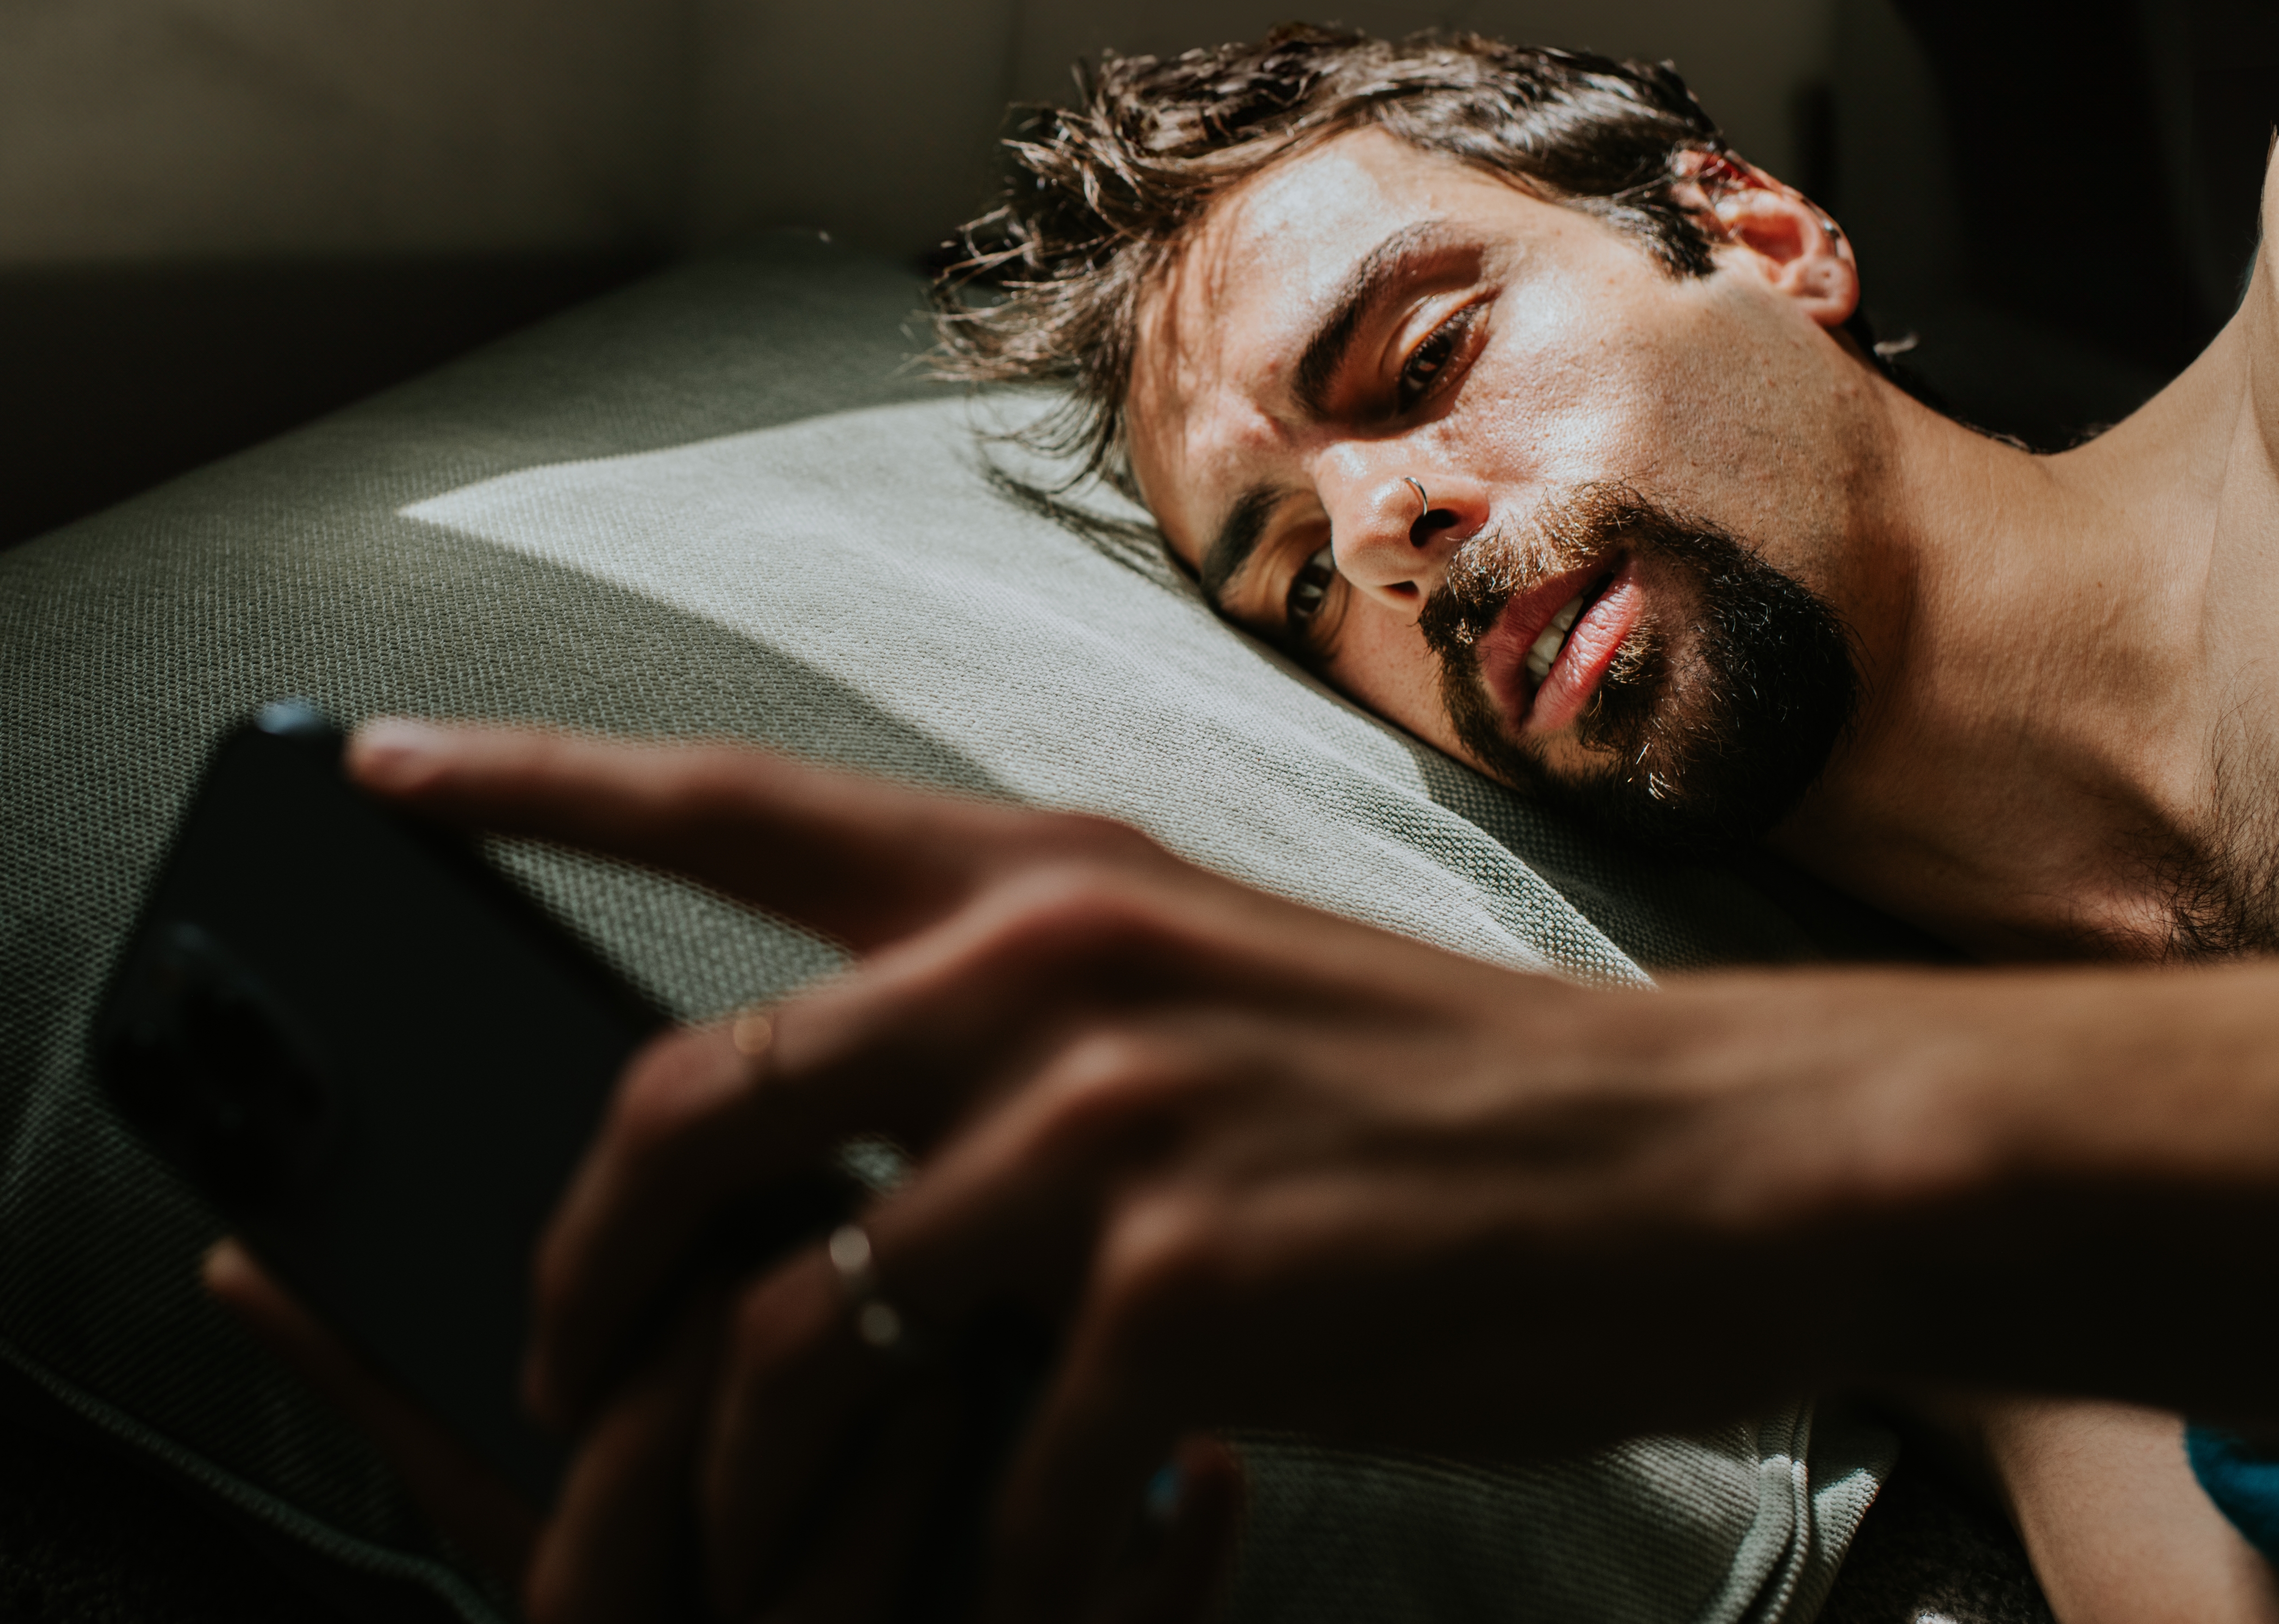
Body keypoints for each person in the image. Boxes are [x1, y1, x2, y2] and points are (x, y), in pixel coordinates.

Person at [212, 25, 2279, 1624]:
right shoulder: (1996, 1303)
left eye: (1427, 357)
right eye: (1294, 585)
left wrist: (1734, 1138)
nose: (1390, 535)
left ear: (1753, 227)